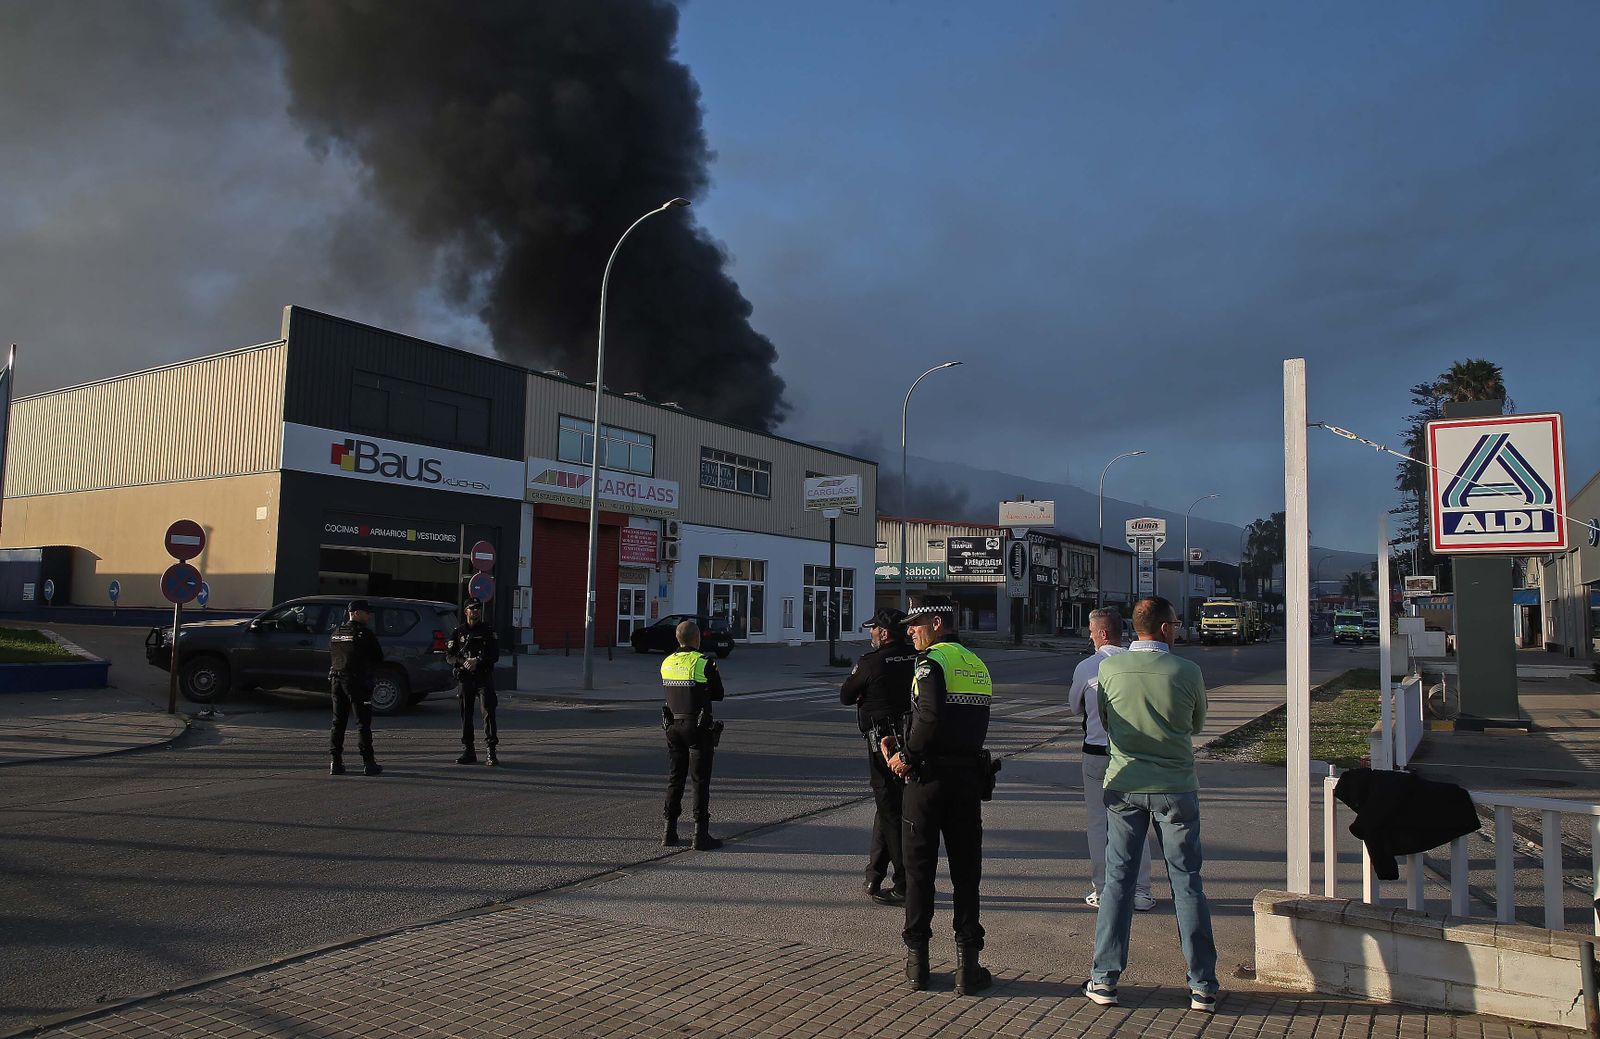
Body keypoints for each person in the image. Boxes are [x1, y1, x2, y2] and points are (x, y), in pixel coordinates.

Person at [1085, 595, 1217, 1014]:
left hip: (1124, 786)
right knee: (1187, 882)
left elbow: (1105, 721)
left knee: (1118, 882)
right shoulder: (1187, 670)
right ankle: (1202, 985)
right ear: (1164, 628)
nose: (1177, 629)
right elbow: (1196, 724)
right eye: (1175, 624)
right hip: (1176, 787)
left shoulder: (1109, 668)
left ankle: (1105, 979)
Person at [882, 594, 994, 996]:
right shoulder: (977, 665)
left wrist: (904, 756)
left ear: (937, 624)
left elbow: (928, 716)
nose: (909, 631)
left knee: (919, 872)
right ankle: (969, 967)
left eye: (915, 624)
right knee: (966, 874)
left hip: (927, 782)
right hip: (967, 780)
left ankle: (918, 965)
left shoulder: (930, 663)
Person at [1068, 607, 1156, 912]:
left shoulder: (1088, 666)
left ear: (1103, 633)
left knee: (1099, 822)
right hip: (1133, 755)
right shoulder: (1140, 664)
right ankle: (1141, 891)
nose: (1090, 636)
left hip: (1096, 753)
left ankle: (1104, 891)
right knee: (1136, 823)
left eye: (1092, 631)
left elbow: (1074, 707)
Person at [839, 607, 917, 906]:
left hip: (883, 745)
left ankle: (904, 884)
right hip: (911, 742)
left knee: (892, 811)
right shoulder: (916, 658)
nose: (870, 633)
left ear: (884, 633)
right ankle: (874, 874)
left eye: (873, 629)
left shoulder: (872, 662)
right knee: (887, 810)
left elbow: (846, 695)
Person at [660, 619, 725, 851]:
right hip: (697, 727)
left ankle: (669, 832)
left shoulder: (666, 662)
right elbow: (718, 693)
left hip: (673, 727)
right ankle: (701, 834)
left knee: (675, 778)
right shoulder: (703, 662)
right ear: (697, 639)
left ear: (678, 639)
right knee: (699, 781)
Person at [328, 599, 384, 777]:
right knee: (363, 724)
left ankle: (335, 762)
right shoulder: (364, 634)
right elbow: (378, 657)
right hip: (356, 682)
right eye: (366, 613)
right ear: (356, 613)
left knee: (338, 723)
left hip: (336, 681)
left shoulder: (337, 632)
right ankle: (368, 763)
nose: (369, 616)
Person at [447, 597, 501, 766]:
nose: (476, 611)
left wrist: (478, 660)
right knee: (466, 714)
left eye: (478, 608)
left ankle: (491, 752)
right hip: (466, 678)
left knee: (488, 713)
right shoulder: (458, 632)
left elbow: (494, 655)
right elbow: (449, 655)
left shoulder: (488, 630)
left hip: (483, 677)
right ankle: (468, 751)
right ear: (466, 611)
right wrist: (462, 662)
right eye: (472, 608)